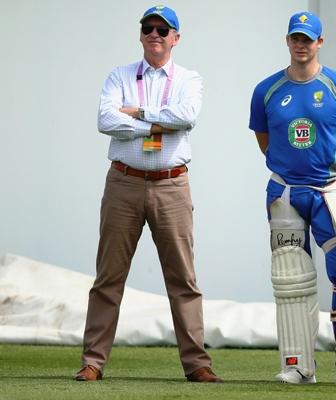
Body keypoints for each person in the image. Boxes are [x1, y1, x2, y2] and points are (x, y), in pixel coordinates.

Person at [74, 5, 222, 383]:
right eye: (148, 28)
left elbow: (186, 116)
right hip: (123, 182)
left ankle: (197, 365)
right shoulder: (118, 75)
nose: (155, 34)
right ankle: (93, 361)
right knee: (109, 276)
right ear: (140, 35)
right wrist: (155, 123)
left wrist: (137, 113)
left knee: (183, 279)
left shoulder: (189, 78)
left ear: (176, 37)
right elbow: (105, 120)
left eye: (163, 29)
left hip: (172, 183)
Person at [249, 11, 336, 385]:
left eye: (308, 38)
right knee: (290, 273)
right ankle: (297, 366)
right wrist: (291, 168)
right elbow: (265, 141)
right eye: (296, 38)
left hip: (329, 187)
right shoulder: (267, 90)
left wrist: (323, 166)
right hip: (285, 190)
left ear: (319, 42)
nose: (301, 44)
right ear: (288, 41)